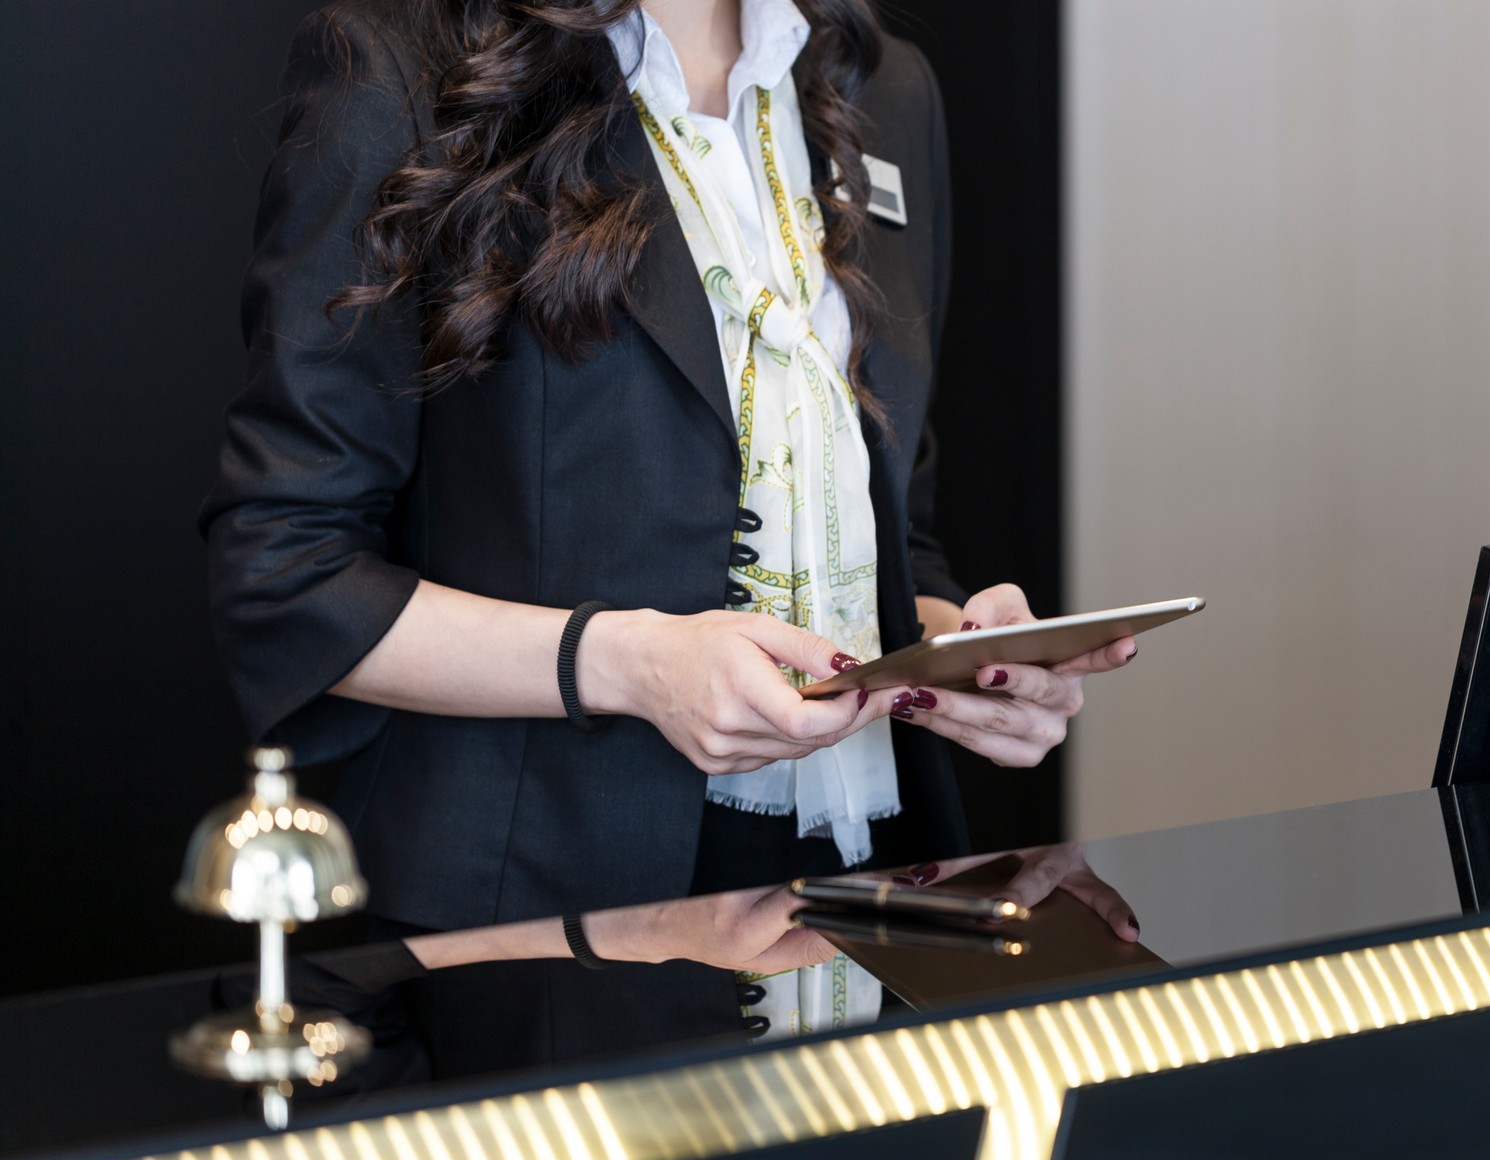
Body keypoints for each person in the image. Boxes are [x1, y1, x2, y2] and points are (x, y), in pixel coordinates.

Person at [201, 0, 1137, 1056]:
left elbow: (892, 533)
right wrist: (632, 663)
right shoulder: (403, 67)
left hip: (879, 898)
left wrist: (957, 653)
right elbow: (285, 573)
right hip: (547, 932)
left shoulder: (885, 86)